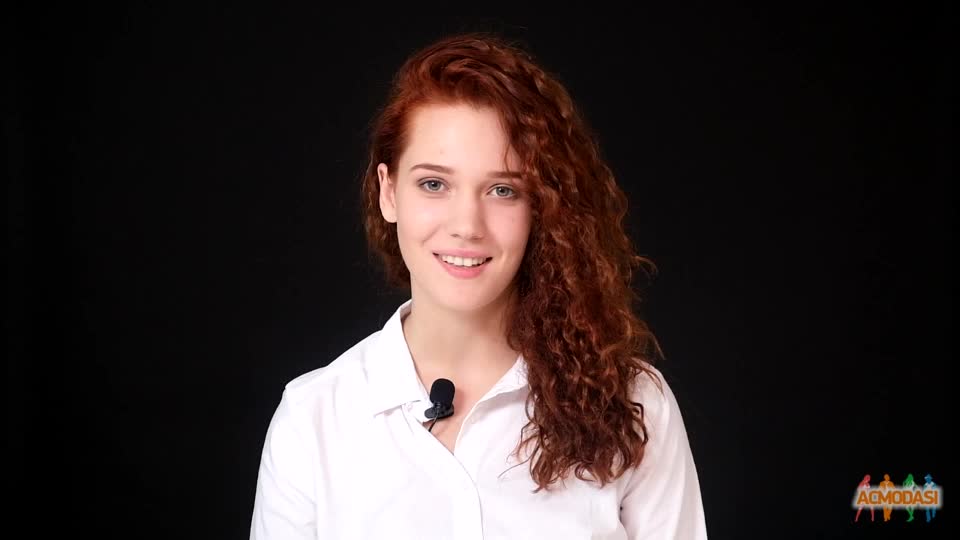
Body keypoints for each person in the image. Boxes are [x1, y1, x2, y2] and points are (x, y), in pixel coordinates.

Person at [249, 31, 707, 539]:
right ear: (388, 192)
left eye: (502, 190)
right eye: (434, 184)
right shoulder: (312, 419)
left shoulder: (634, 404)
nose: (467, 225)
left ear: (541, 208)